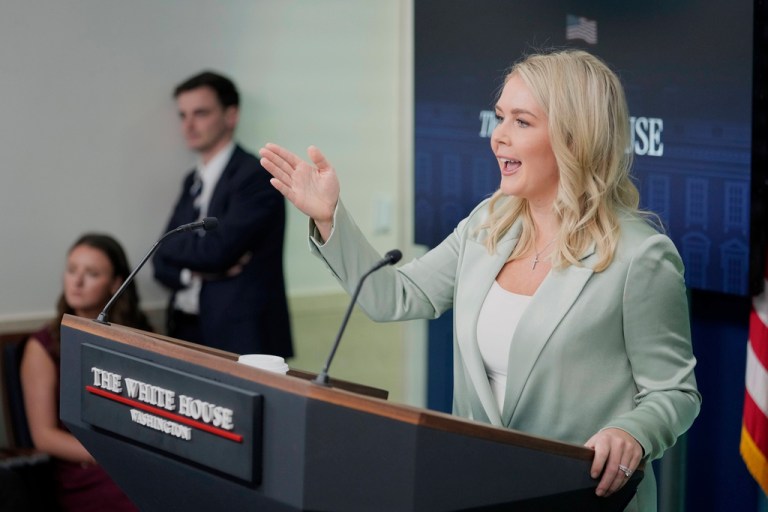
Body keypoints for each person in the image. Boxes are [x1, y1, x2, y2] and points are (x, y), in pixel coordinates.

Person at [259, 49, 701, 511]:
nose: (498, 137)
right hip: (478, 491)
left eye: (521, 122)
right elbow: (393, 296)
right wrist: (331, 218)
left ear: (575, 138)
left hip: (582, 499)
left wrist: (632, 431)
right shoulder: (486, 225)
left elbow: (675, 392)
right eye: (499, 118)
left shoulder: (640, 257)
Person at [152, 71, 292, 357]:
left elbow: (218, 252)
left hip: (241, 338)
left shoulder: (256, 176)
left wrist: (196, 258)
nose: (188, 125)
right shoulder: (192, 179)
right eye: (183, 115)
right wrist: (196, 272)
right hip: (187, 328)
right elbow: (161, 254)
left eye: (200, 113)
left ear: (231, 116)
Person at [20, 234, 151, 511]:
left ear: (116, 283)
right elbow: (43, 436)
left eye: (91, 274)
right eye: (71, 270)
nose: (76, 282)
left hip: (141, 460)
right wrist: (114, 456)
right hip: (85, 469)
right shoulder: (42, 346)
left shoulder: (140, 334)